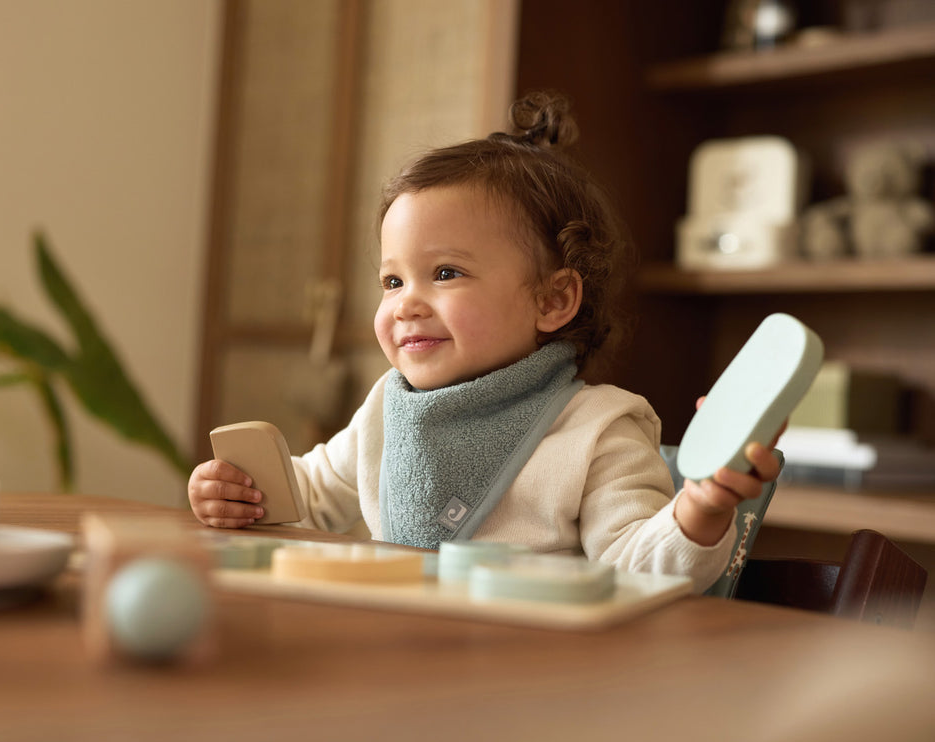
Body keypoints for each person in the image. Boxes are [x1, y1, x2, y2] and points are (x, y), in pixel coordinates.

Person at [188, 91, 782, 592]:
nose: (406, 303)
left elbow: (639, 572)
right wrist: (239, 495)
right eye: (393, 280)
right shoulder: (386, 414)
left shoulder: (598, 429)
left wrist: (698, 511)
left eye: (445, 273)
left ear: (551, 301)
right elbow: (308, 498)